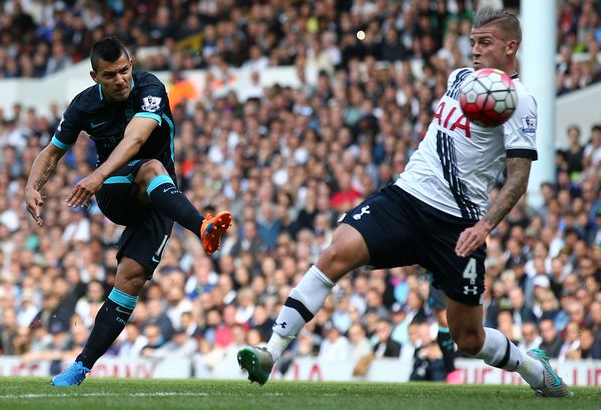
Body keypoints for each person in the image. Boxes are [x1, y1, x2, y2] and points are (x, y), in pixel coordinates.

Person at [238, 8, 572, 397]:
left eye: (486, 43)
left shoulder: (520, 101)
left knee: (468, 338)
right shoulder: (460, 79)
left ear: (511, 46)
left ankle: (532, 367)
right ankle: (270, 352)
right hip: (406, 198)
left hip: (458, 225)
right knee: (335, 253)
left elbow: (518, 177)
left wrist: (485, 226)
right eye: (473, 42)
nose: (476, 51)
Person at [25, 37, 231, 386]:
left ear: (131, 63)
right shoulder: (83, 106)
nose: (120, 80)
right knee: (150, 167)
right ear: (95, 77)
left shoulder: (150, 87)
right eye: (110, 75)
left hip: (159, 196)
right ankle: (202, 227)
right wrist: (31, 186)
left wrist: (94, 175)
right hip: (116, 190)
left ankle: (78, 369)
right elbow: (52, 151)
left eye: (124, 70)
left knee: (130, 282)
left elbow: (136, 138)